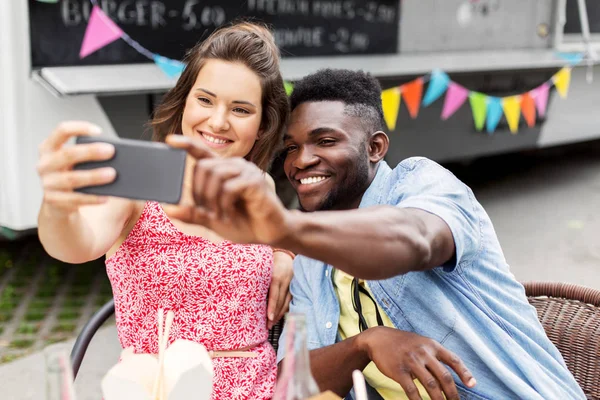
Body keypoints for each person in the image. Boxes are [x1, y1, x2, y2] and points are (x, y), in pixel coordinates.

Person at [164, 68, 586, 400]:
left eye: (324, 141)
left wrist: (285, 229)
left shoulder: (421, 184)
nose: (301, 161)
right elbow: (297, 385)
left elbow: (415, 240)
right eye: (290, 147)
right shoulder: (309, 260)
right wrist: (363, 345)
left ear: (375, 147)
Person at [36, 22, 294, 400]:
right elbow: (76, 245)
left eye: (240, 109)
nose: (218, 121)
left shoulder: (259, 186)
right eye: (205, 100)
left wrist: (284, 253)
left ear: (261, 125)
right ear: (184, 101)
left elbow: (286, 235)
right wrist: (57, 206)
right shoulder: (137, 186)